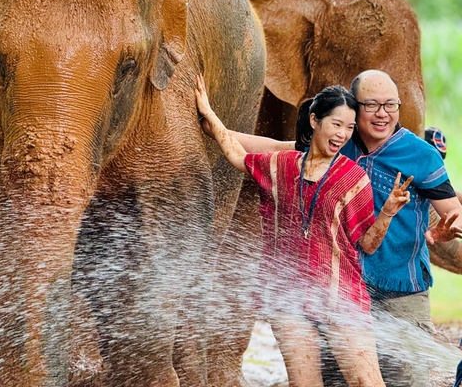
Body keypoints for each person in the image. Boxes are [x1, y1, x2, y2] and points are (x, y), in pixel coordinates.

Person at [220, 70, 462, 386]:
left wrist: (447, 227)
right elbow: (277, 149)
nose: (383, 113)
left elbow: (452, 208)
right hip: (342, 292)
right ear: (354, 108)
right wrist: (215, 128)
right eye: (372, 105)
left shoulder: (422, 155)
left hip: (400, 289)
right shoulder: (337, 144)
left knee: (407, 380)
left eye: (391, 105)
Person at [195, 77, 411, 387]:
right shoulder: (281, 165)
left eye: (349, 128)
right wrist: (210, 115)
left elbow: (368, 244)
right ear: (314, 120)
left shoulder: (354, 178)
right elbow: (238, 157)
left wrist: (388, 212)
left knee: (368, 383)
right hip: (289, 302)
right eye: (337, 125)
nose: (342, 134)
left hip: (342, 300)